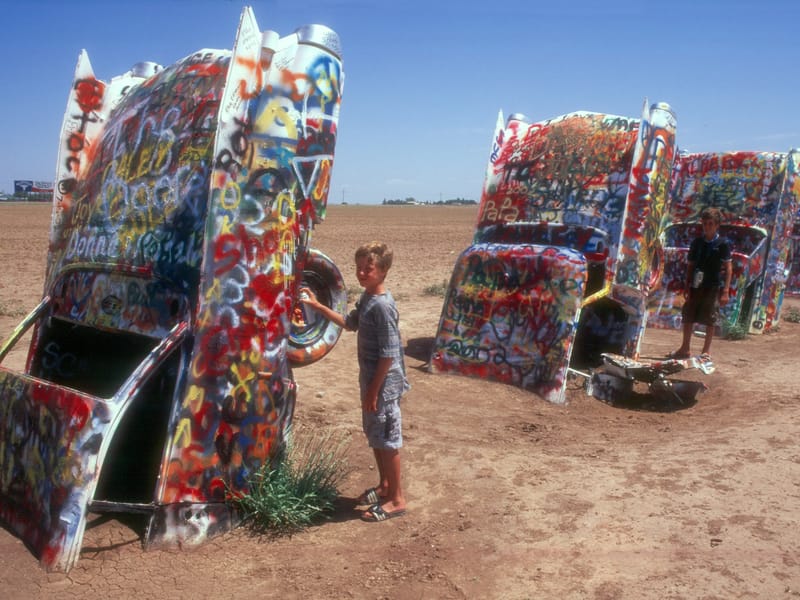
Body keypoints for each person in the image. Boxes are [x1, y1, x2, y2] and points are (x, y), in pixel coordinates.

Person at [300, 241, 409, 522]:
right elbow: (349, 324)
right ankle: (385, 486)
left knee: (387, 439)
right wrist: (316, 305)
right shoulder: (367, 298)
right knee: (376, 435)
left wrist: (373, 391)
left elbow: (388, 355)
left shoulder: (383, 307)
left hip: (383, 383)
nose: (361, 273)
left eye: (368, 269)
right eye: (358, 268)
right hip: (372, 380)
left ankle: (397, 499)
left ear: (383, 271)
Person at [670, 207, 732, 359]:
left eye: (711, 223)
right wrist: (687, 285)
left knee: (710, 317)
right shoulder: (697, 243)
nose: (707, 227)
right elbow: (690, 265)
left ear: (717, 225)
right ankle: (685, 348)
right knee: (688, 314)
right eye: (705, 223)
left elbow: (728, 268)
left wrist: (726, 291)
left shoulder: (722, 244)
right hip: (695, 285)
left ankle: (706, 351)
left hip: (712, 286)